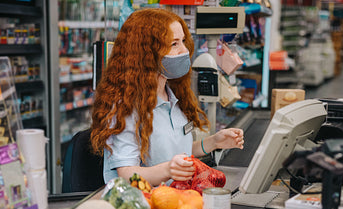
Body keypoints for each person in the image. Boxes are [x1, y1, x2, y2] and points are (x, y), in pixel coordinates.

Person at [90, 8, 244, 186]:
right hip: (144, 205)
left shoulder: (173, 96)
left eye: (183, 42)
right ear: (146, 53)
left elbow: (174, 153)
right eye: (174, 44)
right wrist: (168, 170)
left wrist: (213, 142)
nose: (184, 50)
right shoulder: (124, 107)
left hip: (176, 198)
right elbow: (126, 174)